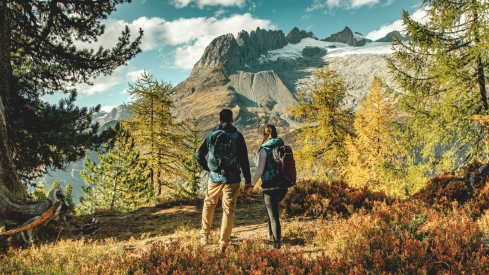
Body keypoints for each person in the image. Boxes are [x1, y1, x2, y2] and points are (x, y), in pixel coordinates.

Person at [196, 109, 252, 253]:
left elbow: (199, 155)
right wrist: (247, 180)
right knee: (228, 209)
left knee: (209, 204)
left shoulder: (211, 136)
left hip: (214, 178)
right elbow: (244, 160)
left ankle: (204, 236)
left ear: (220, 120)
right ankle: (224, 243)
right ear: (232, 120)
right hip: (232, 179)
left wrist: (209, 169)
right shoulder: (237, 136)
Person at [246, 125, 288, 250]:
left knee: (274, 215)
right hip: (283, 186)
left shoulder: (264, 149)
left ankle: (276, 243)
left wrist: (252, 185)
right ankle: (271, 235)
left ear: (265, 135)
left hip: (270, 187)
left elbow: (259, 170)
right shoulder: (282, 147)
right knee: (273, 212)